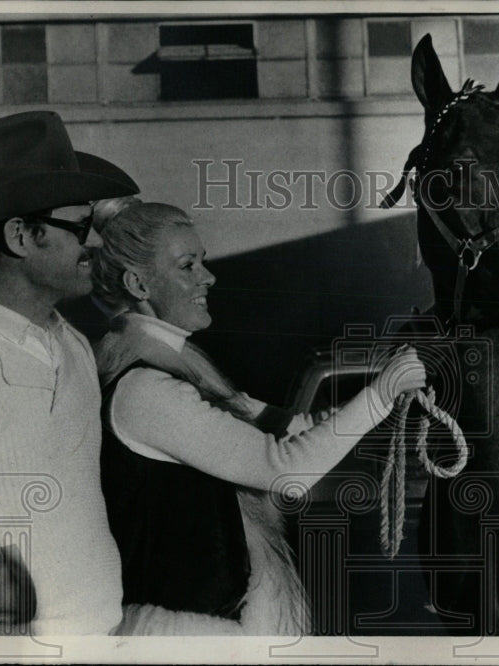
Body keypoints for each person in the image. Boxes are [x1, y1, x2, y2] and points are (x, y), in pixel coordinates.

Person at [90, 201, 426, 635]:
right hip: (184, 639)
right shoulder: (147, 391)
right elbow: (283, 468)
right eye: (187, 266)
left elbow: (293, 426)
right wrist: (381, 394)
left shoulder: (178, 372)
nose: (207, 277)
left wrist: (386, 401)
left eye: (203, 262)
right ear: (137, 283)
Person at [0, 111, 140, 635]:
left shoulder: (71, 346)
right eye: (81, 228)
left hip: (100, 629)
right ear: (21, 236)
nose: (95, 246)